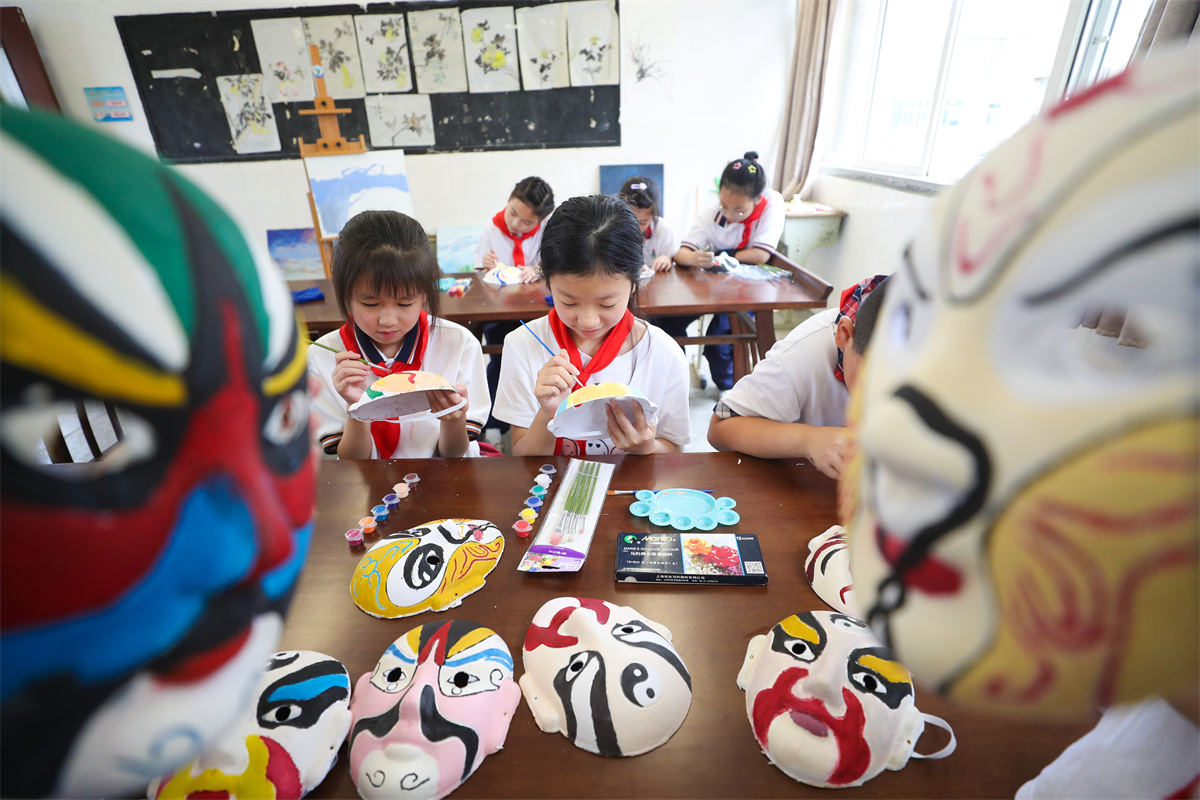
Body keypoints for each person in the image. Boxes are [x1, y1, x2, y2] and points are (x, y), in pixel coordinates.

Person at [492, 195, 692, 456]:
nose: (587, 321)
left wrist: (647, 447)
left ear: (634, 283)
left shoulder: (664, 354)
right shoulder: (522, 344)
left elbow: (675, 450)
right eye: (568, 302)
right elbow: (522, 454)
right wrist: (546, 413)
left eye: (607, 304)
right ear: (548, 282)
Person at [308, 210, 490, 458]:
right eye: (371, 304)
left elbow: (455, 456)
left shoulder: (459, 344)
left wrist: (453, 420)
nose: (388, 320)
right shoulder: (322, 356)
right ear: (345, 296)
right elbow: (350, 464)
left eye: (404, 303)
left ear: (425, 293)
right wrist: (357, 410)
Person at [707, 274, 888, 478]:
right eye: (873, 384)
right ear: (844, 335)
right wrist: (808, 440)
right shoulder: (800, 358)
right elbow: (720, 429)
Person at [668, 151, 786, 390]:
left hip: (749, 289)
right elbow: (680, 254)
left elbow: (761, 255)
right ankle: (674, 380)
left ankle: (730, 388)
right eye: (724, 205)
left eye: (739, 210)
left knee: (720, 342)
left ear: (758, 198)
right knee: (666, 323)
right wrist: (696, 257)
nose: (730, 215)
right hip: (712, 287)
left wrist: (725, 256)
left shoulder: (772, 203)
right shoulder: (712, 215)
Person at [474, 176, 555, 435]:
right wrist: (485, 263)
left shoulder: (547, 231)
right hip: (501, 312)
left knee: (539, 364)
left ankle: (537, 421)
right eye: (513, 213)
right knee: (499, 363)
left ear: (540, 220)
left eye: (527, 221)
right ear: (508, 201)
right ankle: (495, 426)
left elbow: (557, 263)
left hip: (536, 312)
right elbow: (479, 270)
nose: (516, 223)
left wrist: (540, 267)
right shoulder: (492, 228)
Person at [618, 175, 676, 272]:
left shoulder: (663, 229)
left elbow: (671, 258)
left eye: (643, 222)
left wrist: (667, 258)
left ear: (653, 216)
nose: (636, 227)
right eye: (631, 220)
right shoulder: (612, 230)